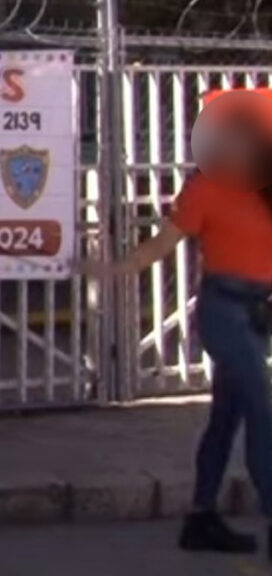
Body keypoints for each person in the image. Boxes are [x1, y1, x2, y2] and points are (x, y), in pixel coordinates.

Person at [80, 104, 272, 558]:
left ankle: (201, 518)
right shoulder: (206, 189)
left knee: (227, 415)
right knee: (262, 410)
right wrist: (114, 269)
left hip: (258, 312)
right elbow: (161, 244)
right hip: (223, 311)